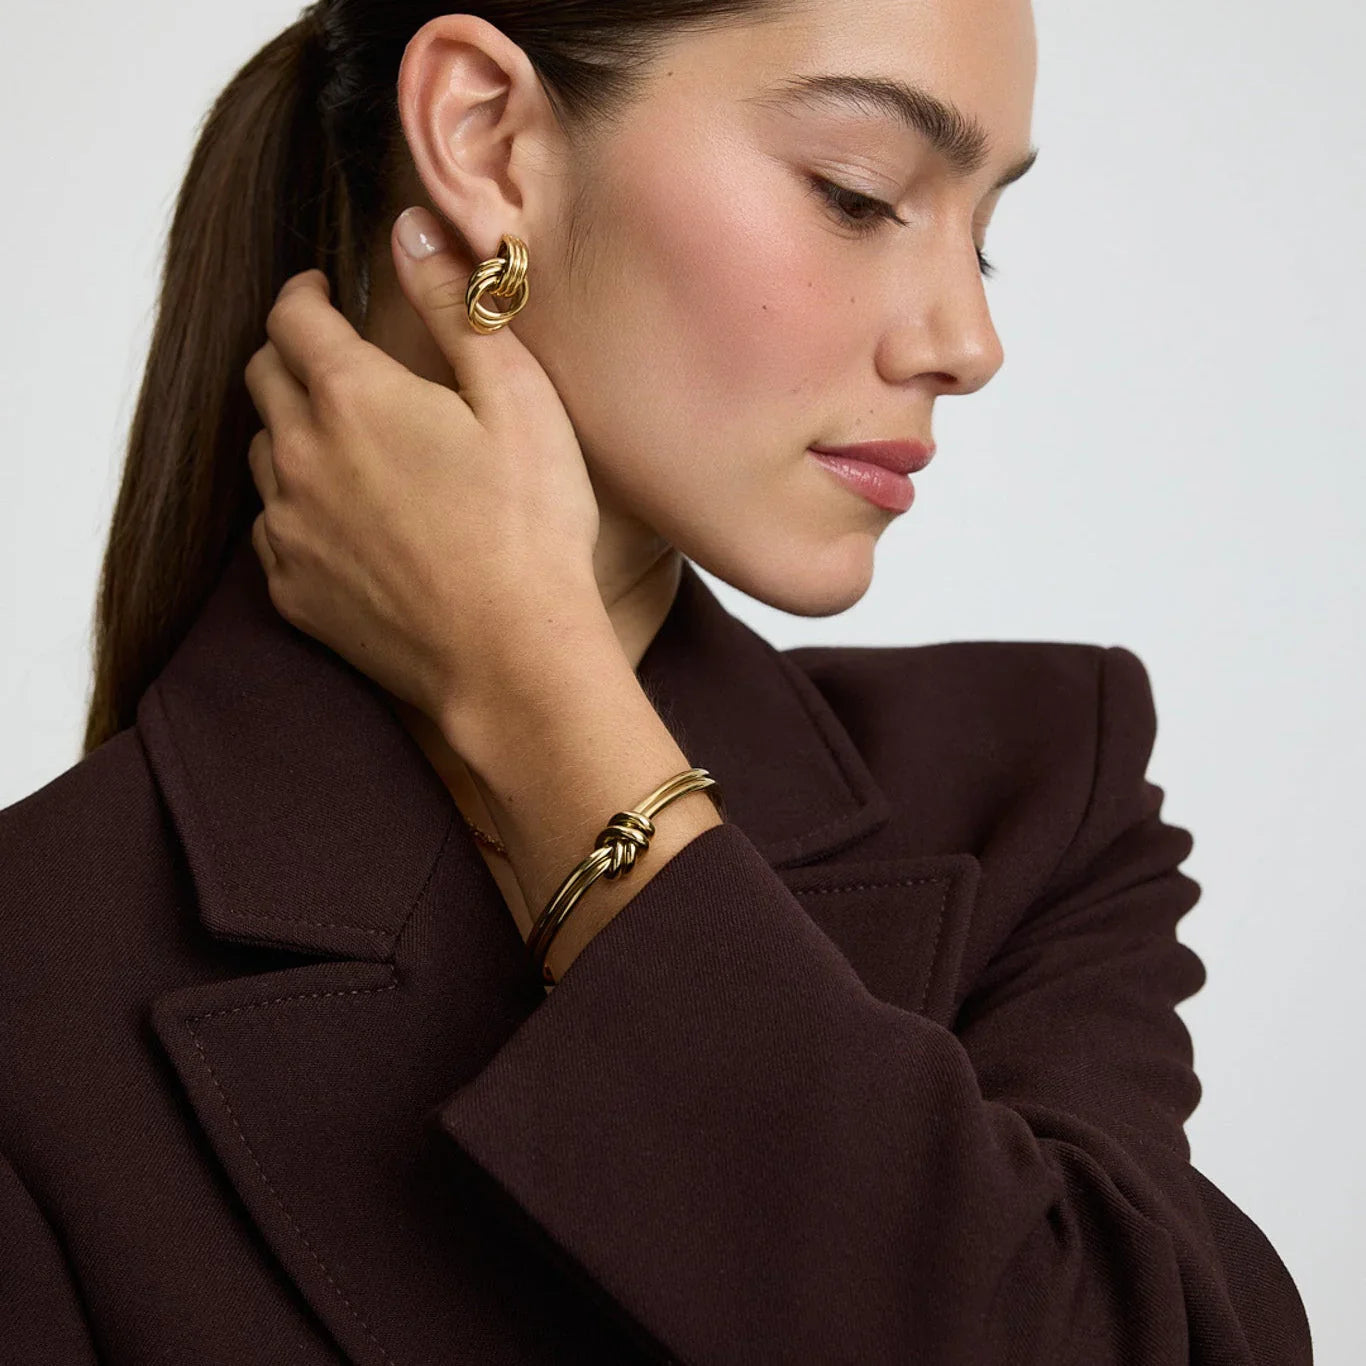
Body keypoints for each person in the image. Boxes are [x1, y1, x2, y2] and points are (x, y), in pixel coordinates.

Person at [0, 1, 1314, 1361]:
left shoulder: (1037, 802)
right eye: (858, 195)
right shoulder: (37, 978)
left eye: (981, 230)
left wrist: (536, 698)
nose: (969, 340)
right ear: (485, 138)